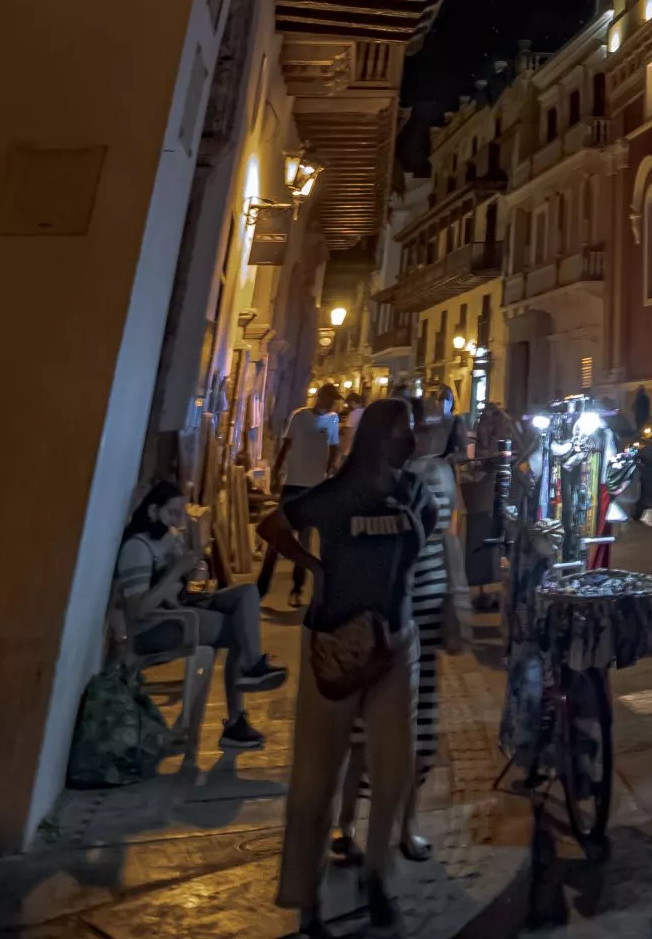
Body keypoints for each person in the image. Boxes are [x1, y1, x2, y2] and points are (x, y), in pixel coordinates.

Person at [263, 396, 439, 938]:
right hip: (333, 644)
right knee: (317, 775)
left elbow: (425, 539)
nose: (413, 436)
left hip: (396, 641)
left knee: (393, 769)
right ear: (381, 436)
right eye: (404, 428)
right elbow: (272, 526)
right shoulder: (336, 495)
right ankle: (306, 898)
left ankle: (377, 875)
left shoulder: (414, 492)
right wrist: (315, 567)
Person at [333, 391, 467, 867]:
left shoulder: (441, 473)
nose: (424, 430)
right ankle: (345, 821)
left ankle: (405, 825)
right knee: (362, 727)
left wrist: (458, 599)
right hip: (378, 613)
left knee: (418, 731)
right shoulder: (374, 477)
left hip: (425, 614)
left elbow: (451, 539)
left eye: (428, 421)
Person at [115, 480, 286, 751]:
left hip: (181, 606)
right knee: (239, 630)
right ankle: (236, 718)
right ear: (152, 511)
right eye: (173, 513)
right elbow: (138, 610)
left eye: (182, 513)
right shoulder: (137, 549)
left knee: (247, 595)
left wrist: (194, 568)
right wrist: (174, 572)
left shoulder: (167, 539)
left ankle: (251, 668)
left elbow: (185, 580)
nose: (179, 519)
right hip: (156, 626)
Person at [260, 384, 342, 608]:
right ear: (320, 397)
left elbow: (334, 448)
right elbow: (286, 445)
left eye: (333, 400)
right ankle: (260, 589)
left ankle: (297, 589)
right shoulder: (299, 416)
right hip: (293, 484)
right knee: (277, 538)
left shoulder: (333, 420)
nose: (331, 403)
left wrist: (331, 469)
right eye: (329, 398)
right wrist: (277, 472)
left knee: (304, 543)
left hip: (313, 489)